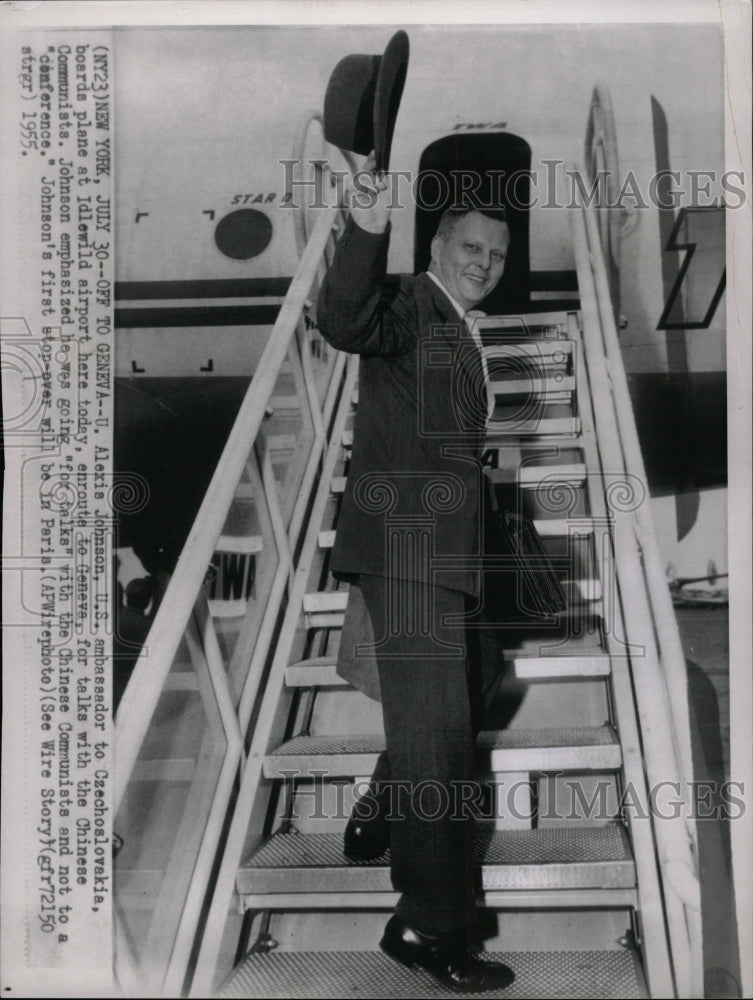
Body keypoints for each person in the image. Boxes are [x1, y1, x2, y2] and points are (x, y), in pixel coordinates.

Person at [316, 156, 515, 993]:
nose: (482, 262)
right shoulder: (408, 304)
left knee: (466, 691)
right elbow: (345, 315)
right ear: (437, 245)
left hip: (439, 555)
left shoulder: (461, 326)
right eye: (469, 246)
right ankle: (428, 926)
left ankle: (379, 809)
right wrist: (366, 221)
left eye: (496, 255)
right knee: (438, 745)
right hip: (411, 549)